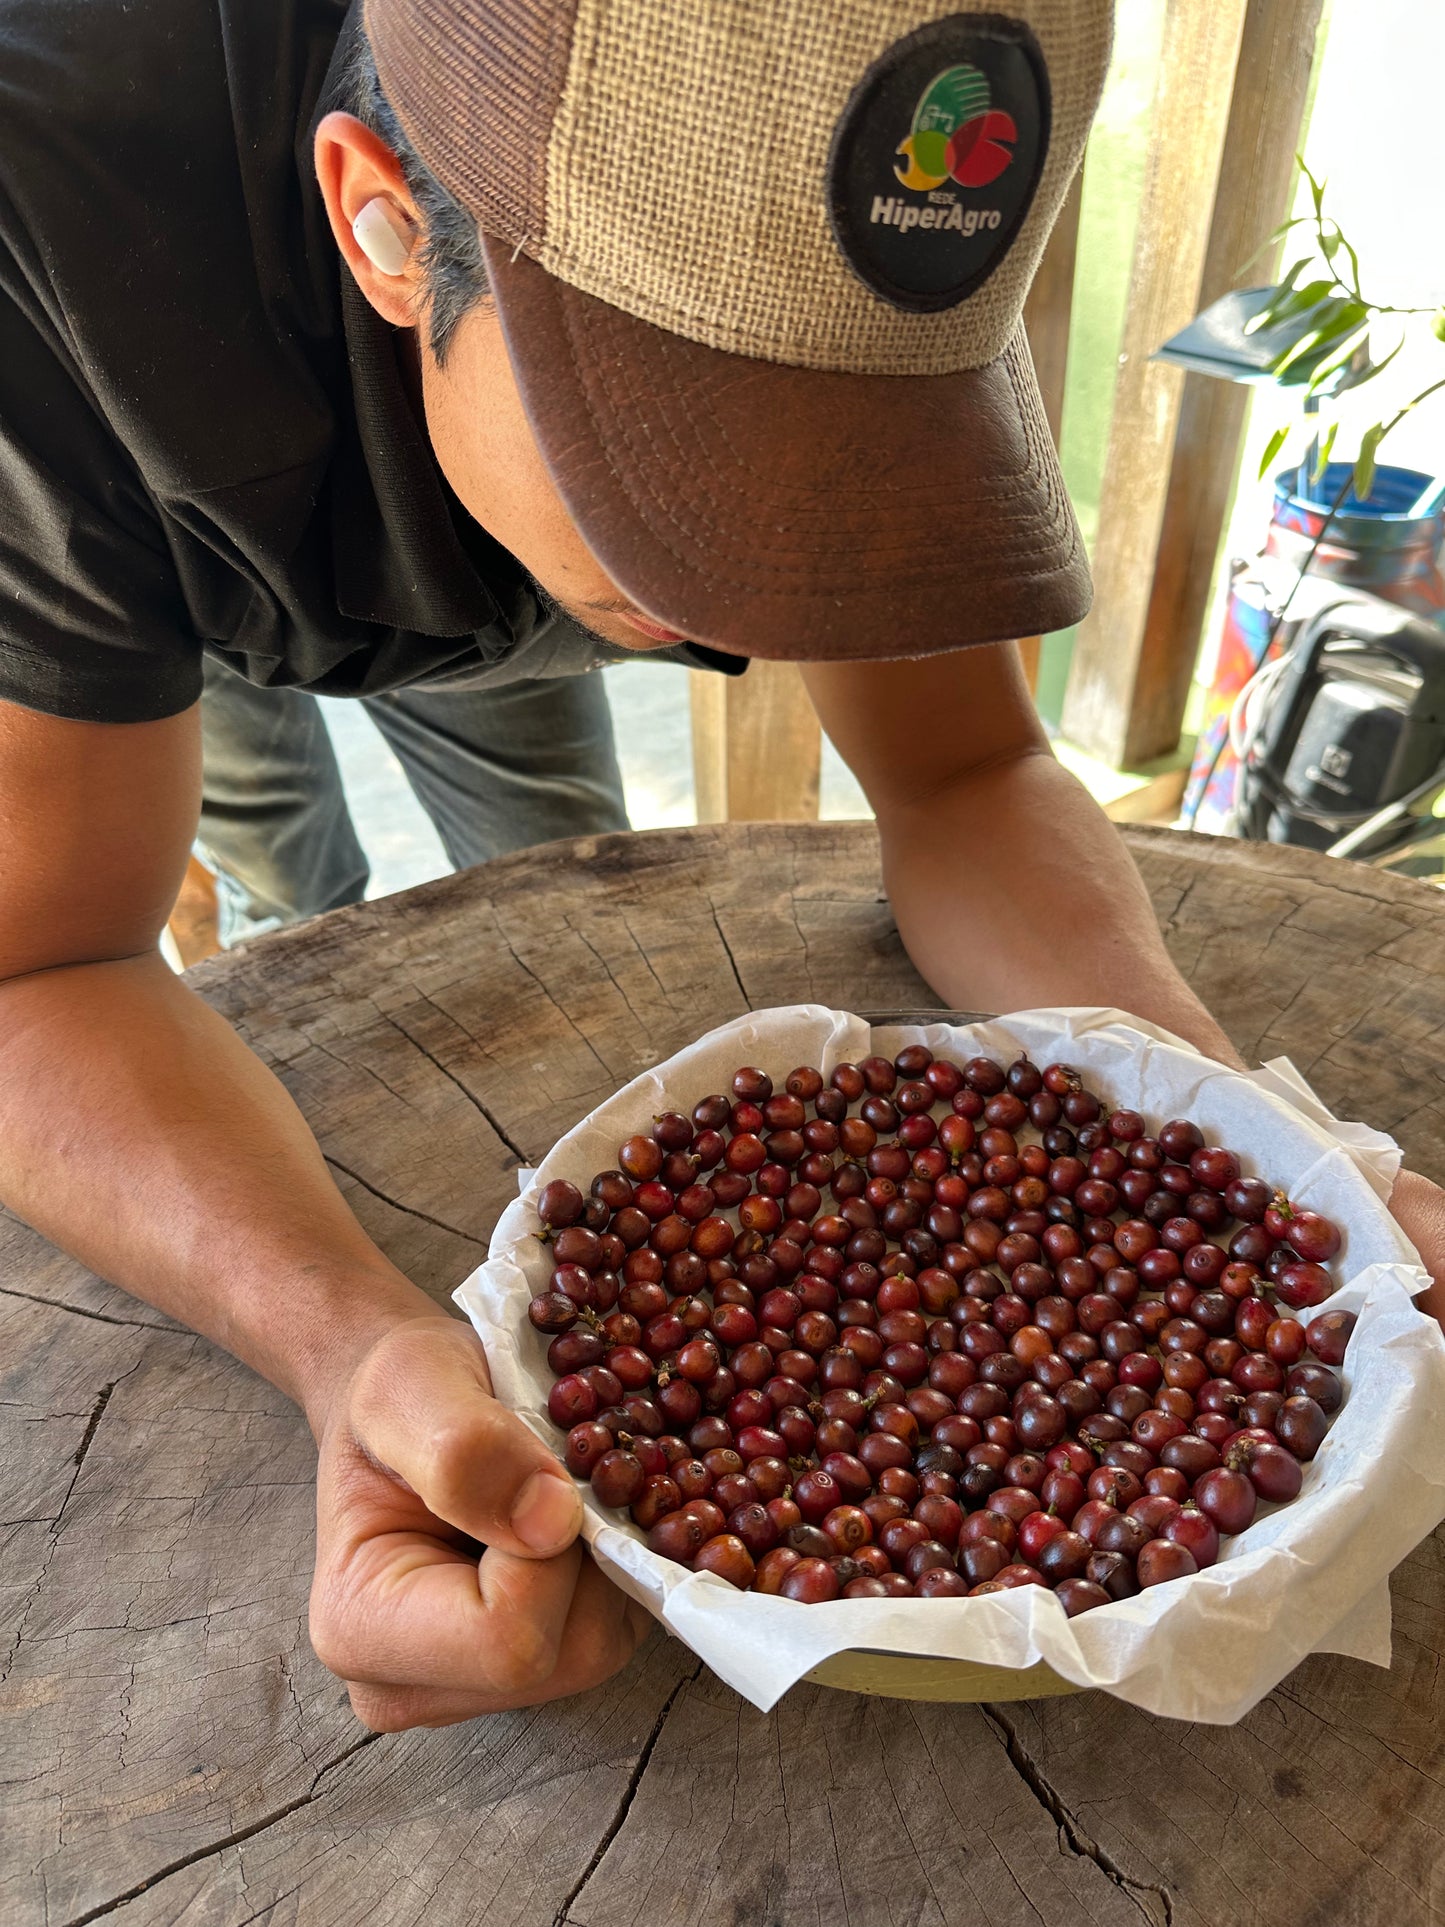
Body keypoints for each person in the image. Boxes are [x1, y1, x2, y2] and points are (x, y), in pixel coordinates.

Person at [1, 0, 1440, 1735]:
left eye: (850, 455)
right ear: (381, 216)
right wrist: (351, 1344)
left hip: (400, 453)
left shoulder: (869, 194)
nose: (774, 579)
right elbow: (46, 958)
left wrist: (1221, 1113)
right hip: (137, 515)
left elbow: (969, 763)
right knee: (279, 846)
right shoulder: (53, 241)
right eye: (680, 451)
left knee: (539, 814)